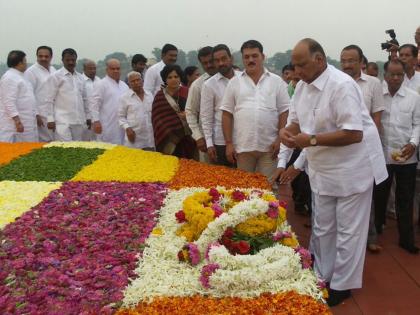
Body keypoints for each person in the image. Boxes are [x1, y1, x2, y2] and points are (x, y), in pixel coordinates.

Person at [279, 38, 387, 306]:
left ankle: (342, 285)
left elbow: (353, 133)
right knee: (323, 225)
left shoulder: (342, 85)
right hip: (322, 168)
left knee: (349, 230)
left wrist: (311, 140)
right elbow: (294, 124)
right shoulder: (300, 88)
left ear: (319, 60)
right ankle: (321, 274)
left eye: (302, 64)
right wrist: (285, 133)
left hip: (353, 167)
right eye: (295, 65)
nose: (298, 70)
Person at [221, 40, 289, 182]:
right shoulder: (234, 82)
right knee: (244, 188)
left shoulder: (277, 82)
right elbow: (227, 114)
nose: (250, 60)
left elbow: (284, 112)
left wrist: (279, 140)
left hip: (270, 147)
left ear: (263, 57)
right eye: (246, 57)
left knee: (268, 188)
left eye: (254, 56)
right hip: (243, 146)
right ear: (242, 59)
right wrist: (228, 143)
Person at [373, 60, 420, 254]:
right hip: (382, 155)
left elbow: (418, 124)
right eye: (392, 74)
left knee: (405, 198)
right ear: (385, 75)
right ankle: (374, 233)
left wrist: (413, 144)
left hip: (406, 156)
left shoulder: (414, 97)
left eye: (399, 75)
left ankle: (406, 239)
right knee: (379, 197)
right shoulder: (377, 97)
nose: (395, 78)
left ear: (403, 75)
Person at [200, 44, 240, 166]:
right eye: (217, 60)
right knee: (224, 181)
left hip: (243, 139)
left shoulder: (243, 78)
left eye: (223, 59)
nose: (221, 63)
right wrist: (209, 144)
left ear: (231, 58)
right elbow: (206, 117)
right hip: (220, 142)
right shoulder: (209, 85)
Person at [41, 48, 90, 141]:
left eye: (73, 60)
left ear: (76, 60)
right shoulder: (56, 76)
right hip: (62, 121)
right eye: (68, 60)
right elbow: (49, 99)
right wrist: (50, 119)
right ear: (62, 60)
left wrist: (88, 116)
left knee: (77, 149)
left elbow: (85, 99)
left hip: (78, 120)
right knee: (66, 149)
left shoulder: (80, 78)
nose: (70, 62)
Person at [152, 64, 197, 159]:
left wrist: (188, 115)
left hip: (190, 137)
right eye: (170, 77)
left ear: (180, 78)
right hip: (168, 138)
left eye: (176, 76)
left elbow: (197, 111)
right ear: (165, 79)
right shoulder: (159, 97)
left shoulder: (187, 92)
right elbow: (157, 120)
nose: (173, 79)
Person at [185, 46, 217, 163]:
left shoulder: (232, 79)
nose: (208, 65)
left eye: (211, 61)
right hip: (206, 139)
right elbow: (190, 112)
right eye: (205, 63)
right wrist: (198, 137)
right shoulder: (198, 85)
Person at [0, 50, 37, 142]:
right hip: (14, 125)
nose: (26, 63)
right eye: (25, 61)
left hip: (27, 120)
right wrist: (17, 121)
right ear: (20, 63)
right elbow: (8, 102)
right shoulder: (9, 77)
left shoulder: (21, 76)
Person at [90, 59, 129, 144]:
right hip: (106, 124)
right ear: (107, 70)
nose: (116, 71)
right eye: (113, 69)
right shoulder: (101, 84)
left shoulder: (124, 86)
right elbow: (94, 104)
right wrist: (96, 121)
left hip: (122, 125)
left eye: (118, 68)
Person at [24, 46, 56, 142]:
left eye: (46, 56)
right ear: (36, 56)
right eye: (40, 56)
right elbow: (29, 95)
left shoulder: (53, 70)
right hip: (41, 114)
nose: (43, 59)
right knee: (44, 142)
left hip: (55, 112)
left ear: (51, 57)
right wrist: (36, 115)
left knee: (56, 142)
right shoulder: (31, 72)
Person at [118, 71, 154, 150]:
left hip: (150, 138)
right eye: (133, 81)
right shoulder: (124, 98)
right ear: (129, 84)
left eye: (138, 80)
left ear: (142, 81)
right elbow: (120, 117)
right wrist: (127, 128)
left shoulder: (150, 95)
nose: (136, 82)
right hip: (134, 139)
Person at [82, 59, 100, 141]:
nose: (93, 71)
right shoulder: (80, 80)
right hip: (85, 119)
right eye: (90, 68)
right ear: (84, 69)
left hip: (98, 118)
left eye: (94, 68)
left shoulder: (99, 81)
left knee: (99, 142)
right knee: (87, 143)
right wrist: (87, 116)